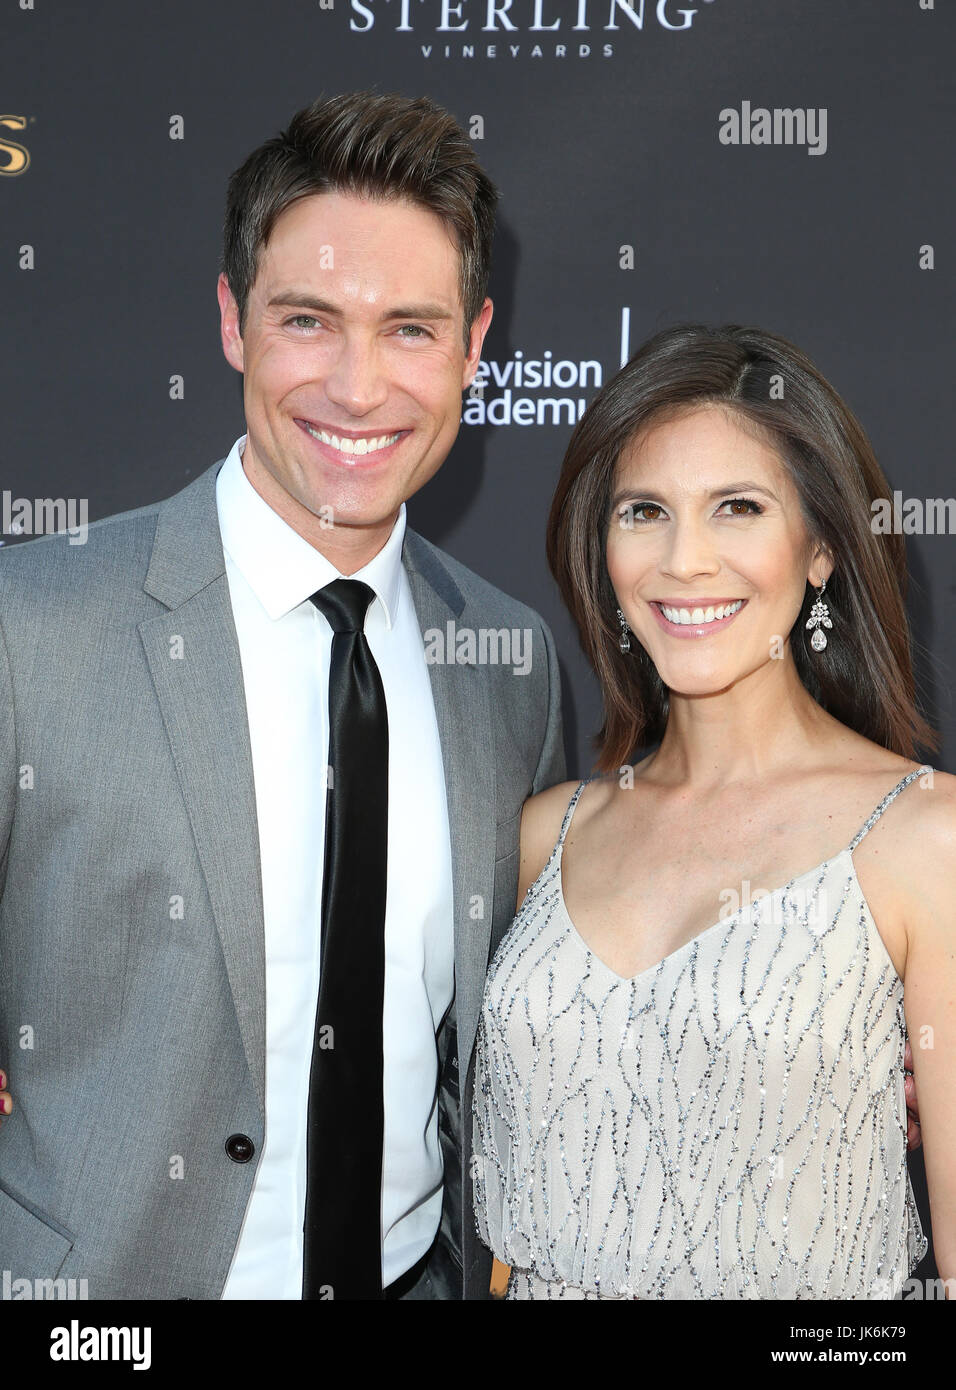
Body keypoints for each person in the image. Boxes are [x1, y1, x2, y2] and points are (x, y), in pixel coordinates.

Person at [0, 90, 565, 1301]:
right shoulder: (28, 626)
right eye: (309, 320)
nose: (358, 389)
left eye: (409, 330)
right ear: (231, 323)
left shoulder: (510, 664)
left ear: (474, 345)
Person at [472, 323, 953, 1299]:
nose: (683, 561)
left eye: (735, 507)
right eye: (643, 511)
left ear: (819, 549)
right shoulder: (544, 833)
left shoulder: (923, 840)